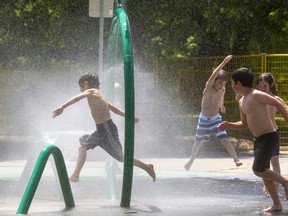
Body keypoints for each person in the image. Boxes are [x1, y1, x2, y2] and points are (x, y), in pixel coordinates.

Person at [52, 73, 156, 182]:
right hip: (100, 130)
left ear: (86, 84)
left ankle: (147, 167)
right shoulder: (98, 94)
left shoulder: (91, 91)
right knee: (82, 148)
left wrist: (62, 107)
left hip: (107, 129)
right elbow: (114, 109)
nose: (80, 90)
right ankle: (75, 175)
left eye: (81, 87)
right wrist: (129, 116)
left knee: (121, 157)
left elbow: (77, 98)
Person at [217, 67, 288, 213]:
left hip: (269, 136)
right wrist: (228, 124)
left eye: (232, 83)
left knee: (258, 169)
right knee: (264, 173)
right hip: (259, 139)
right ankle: (277, 204)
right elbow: (244, 124)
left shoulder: (256, 95)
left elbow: (278, 103)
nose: (231, 86)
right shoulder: (242, 101)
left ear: (239, 84)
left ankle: (285, 182)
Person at [184, 55, 242, 171]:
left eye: (223, 84)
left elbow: (221, 97)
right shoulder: (208, 87)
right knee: (198, 141)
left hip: (216, 119)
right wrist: (224, 63)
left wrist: (221, 106)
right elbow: (213, 75)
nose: (221, 86)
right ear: (214, 81)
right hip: (204, 119)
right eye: (219, 83)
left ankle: (236, 159)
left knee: (224, 139)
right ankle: (191, 160)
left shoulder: (222, 89)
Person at [256, 73, 288, 195]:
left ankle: (277, 185)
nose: (262, 89)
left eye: (265, 85)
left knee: (274, 161)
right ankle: (270, 184)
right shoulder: (256, 99)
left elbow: (285, 109)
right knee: (264, 163)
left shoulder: (275, 99)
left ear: (271, 85)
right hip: (261, 135)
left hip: (273, 133)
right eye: (260, 86)